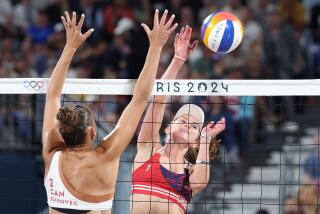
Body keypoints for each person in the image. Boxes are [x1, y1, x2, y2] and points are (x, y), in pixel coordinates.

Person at [42, 10, 177, 213]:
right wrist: (156, 47)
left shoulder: (51, 154)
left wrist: (70, 46)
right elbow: (140, 99)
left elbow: (52, 95)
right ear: (92, 132)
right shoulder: (106, 156)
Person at [131, 26, 226, 214]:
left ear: (195, 141)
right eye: (182, 120)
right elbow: (158, 101)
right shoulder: (148, 149)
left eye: (194, 126)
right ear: (167, 128)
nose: (187, 125)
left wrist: (206, 139)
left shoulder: (190, 170)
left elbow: (199, 184)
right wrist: (178, 60)